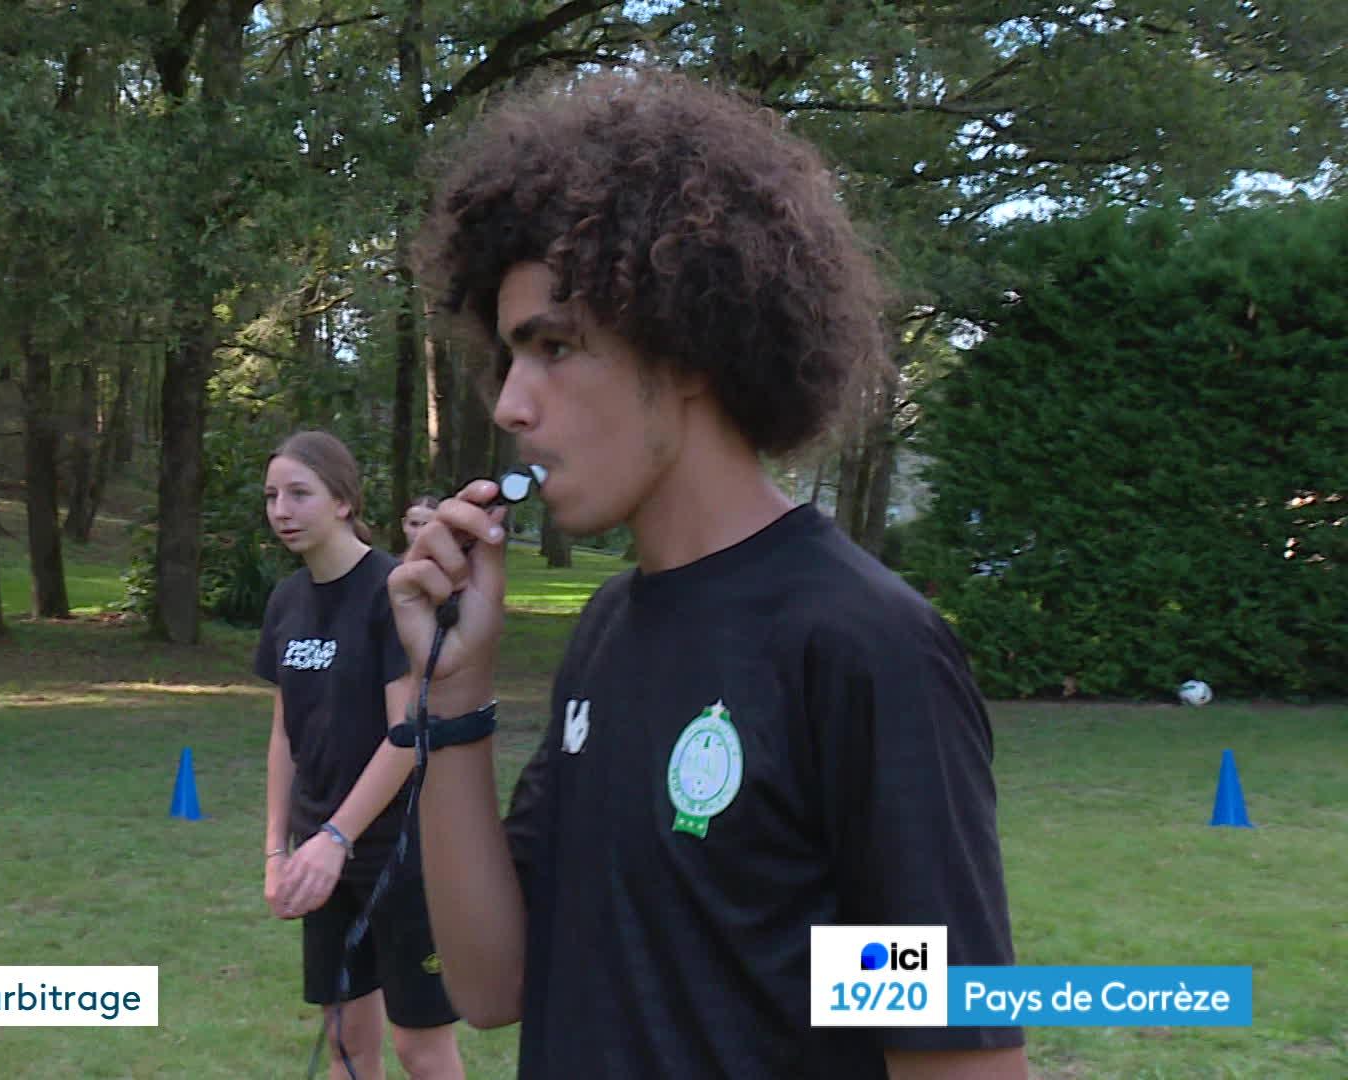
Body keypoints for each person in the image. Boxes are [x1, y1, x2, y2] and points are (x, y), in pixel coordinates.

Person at [385, 72, 1026, 1079]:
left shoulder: (861, 647)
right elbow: (491, 986)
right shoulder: (608, 632)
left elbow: (954, 1055)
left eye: (555, 347)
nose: (509, 404)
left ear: (688, 344)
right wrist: (452, 699)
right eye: (508, 359)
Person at [255, 430, 464, 1080]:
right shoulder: (286, 601)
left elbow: (410, 731)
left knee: (419, 1047)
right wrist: (276, 850)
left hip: (399, 854)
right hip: (322, 858)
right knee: (347, 1039)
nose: (281, 510)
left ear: (343, 501)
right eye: (271, 496)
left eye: (299, 493)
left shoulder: (391, 591)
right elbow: (284, 734)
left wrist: (338, 836)